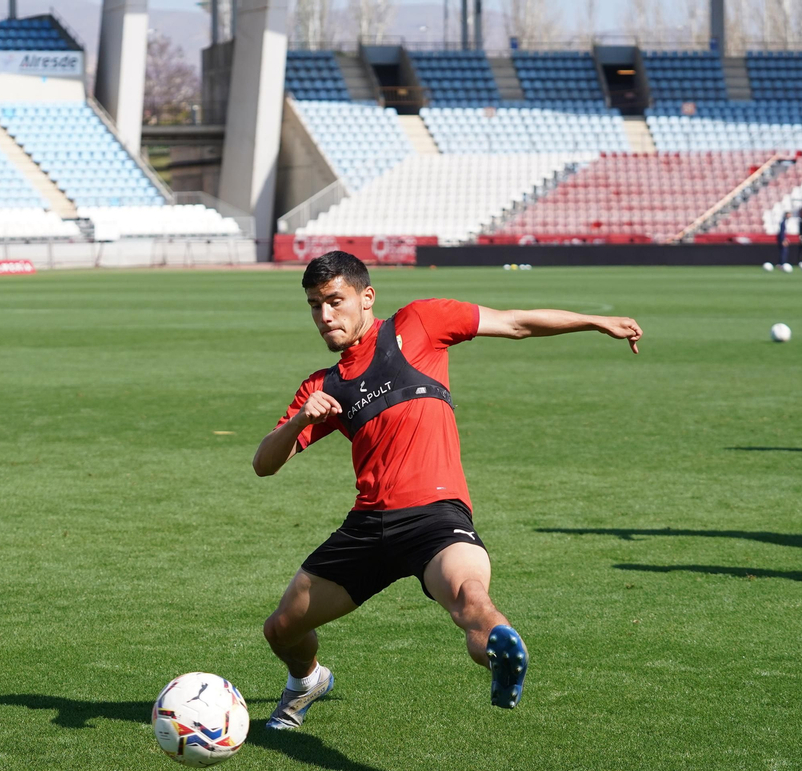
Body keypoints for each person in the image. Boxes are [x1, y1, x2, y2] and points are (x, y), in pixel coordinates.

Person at [253, 251, 643, 727]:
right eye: (315, 305)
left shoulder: (418, 323)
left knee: (472, 601)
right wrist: (299, 420)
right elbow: (263, 465)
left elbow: (514, 322)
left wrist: (595, 321)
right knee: (282, 629)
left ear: (367, 297)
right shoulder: (324, 384)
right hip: (367, 527)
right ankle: (307, 680)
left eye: (335, 301)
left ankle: (502, 657)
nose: (325, 316)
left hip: (435, 517)